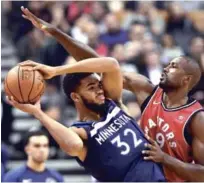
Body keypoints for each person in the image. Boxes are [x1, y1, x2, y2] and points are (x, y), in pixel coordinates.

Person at [19, 7, 204, 181]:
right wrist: (55, 33)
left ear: (186, 80)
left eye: (173, 67)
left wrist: (165, 158)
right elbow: (101, 63)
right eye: (168, 63)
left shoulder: (196, 118)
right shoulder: (144, 88)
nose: (165, 68)